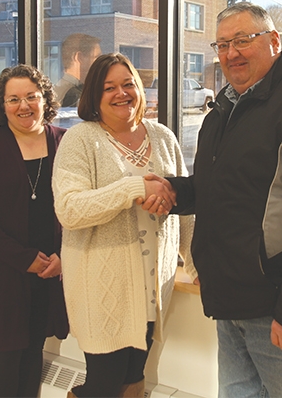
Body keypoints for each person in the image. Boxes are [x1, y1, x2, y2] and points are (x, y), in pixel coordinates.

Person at [154, 2, 282, 397]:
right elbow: (226, 189)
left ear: (274, 42)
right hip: (232, 304)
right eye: (223, 44)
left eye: (243, 40)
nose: (231, 53)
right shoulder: (224, 109)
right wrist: (174, 191)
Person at [53, 53, 195, 398]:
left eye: (128, 84)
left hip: (152, 285)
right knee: (103, 384)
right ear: (94, 97)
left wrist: (194, 261)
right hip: (101, 287)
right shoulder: (80, 140)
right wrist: (133, 188)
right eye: (109, 87)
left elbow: (186, 209)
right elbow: (69, 210)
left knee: (133, 380)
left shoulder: (162, 136)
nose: (122, 93)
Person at [0, 65, 69, 397]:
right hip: (3, 270)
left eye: (31, 97)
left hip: (52, 268)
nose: (23, 106)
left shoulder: (65, 141)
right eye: (13, 99)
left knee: (34, 351)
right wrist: (23, 259)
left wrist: (64, 255)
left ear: (45, 99)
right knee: (5, 356)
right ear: (2, 105)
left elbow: (77, 206)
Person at [54, 33, 102, 107]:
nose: (100, 63)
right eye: (96, 57)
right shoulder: (74, 96)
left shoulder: (59, 89)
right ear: (79, 57)